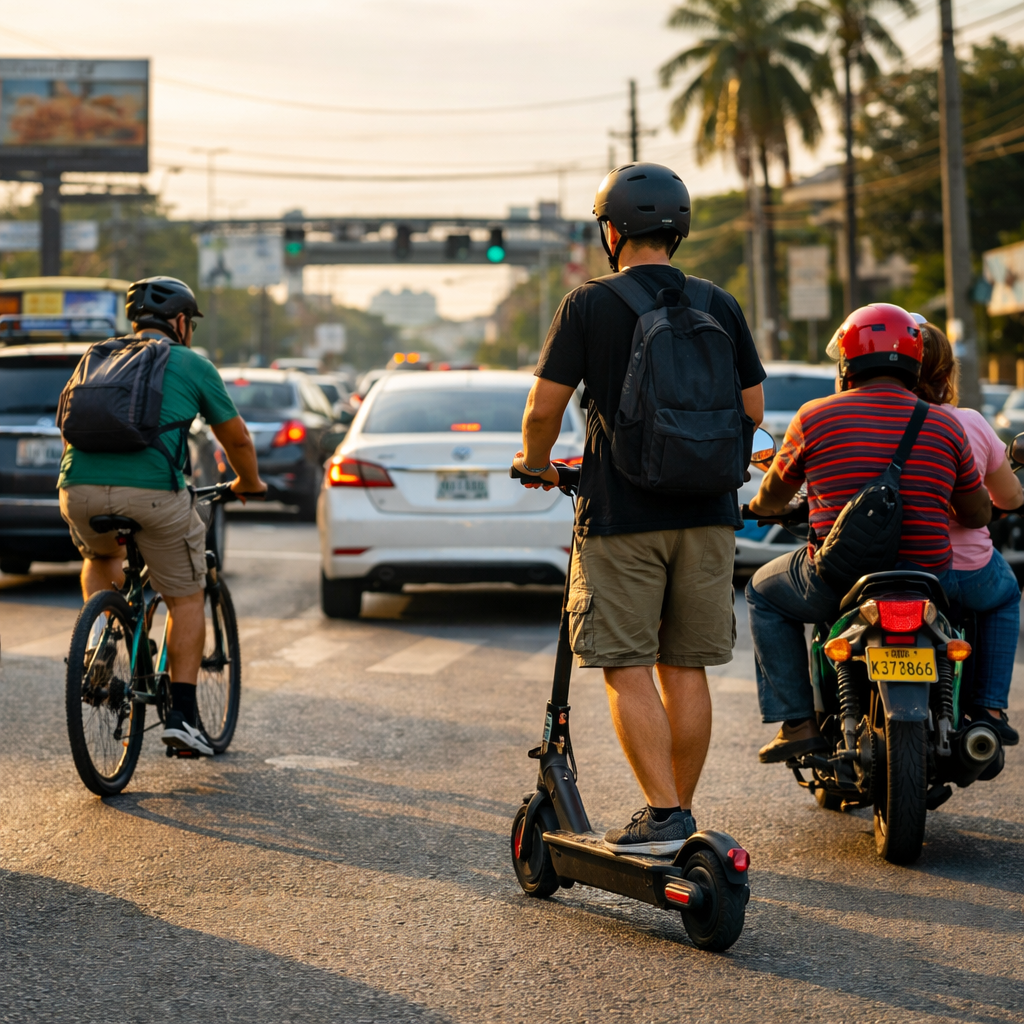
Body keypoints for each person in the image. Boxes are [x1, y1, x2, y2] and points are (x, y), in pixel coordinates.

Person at [515, 163, 766, 854]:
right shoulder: (718, 302)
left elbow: (543, 409)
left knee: (627, 663)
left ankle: (663, 814)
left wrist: (535, 464)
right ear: (677, 230)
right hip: (710, 514)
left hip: (622, 514)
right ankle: (677, 813)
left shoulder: (588, 304)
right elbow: (752, 410)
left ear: (612, 232)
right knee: (684, 666)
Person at [746, 303, 992, 763]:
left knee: (762, 591)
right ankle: (980, 716)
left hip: (838, 579)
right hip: (931, 580)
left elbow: (772, 497)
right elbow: (978, 514)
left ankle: (797, 723)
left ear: (847, 362)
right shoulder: (945, 424)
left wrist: (760, 509)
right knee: (980, 608)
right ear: (915, 362)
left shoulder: (814, 416)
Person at [58, 276, 266, 755]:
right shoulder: (192, 364)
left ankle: (100, 644)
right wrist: (249, 482)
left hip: (79, 490)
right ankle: (183, 718)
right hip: (153, 494)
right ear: (180, 322)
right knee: (185, 597)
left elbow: (68, 430)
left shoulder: (95, 357)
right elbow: (236, 439)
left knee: (100, 555)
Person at [912, 320, 1020, 745]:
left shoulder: (865, 420)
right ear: (947, 372)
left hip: (887, 565)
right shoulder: (968, 423)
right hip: (966, 570)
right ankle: (989, 708)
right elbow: (1009, 498)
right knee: (1006, 593)